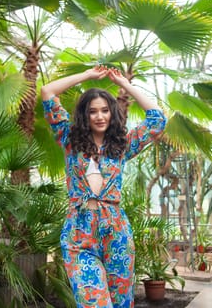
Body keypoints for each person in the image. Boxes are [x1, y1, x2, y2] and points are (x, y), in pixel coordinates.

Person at [41, 66, 167, 308]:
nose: (99, 116)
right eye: (93, 111)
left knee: (120, 303)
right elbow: (47, 91)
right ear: (84, 115)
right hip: (79, 233)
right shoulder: (69, 139)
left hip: (116, 232)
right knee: (94, 302)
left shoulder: (122, 145)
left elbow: (157, 118)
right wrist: (87, 75)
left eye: (105, 110)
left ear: (112, 113)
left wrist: (125, 85)